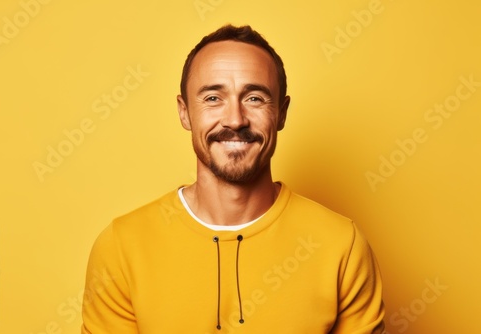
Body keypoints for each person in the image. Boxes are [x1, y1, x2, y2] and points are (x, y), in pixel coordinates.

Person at [81, 24, 385, 333]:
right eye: (213, 98)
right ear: (184, 112)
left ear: (281, 113)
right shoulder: (122, 246)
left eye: (254, 98)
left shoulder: (341, 246)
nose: (235, 119)